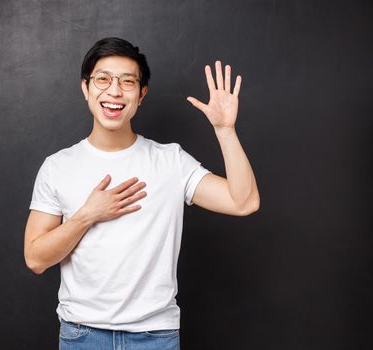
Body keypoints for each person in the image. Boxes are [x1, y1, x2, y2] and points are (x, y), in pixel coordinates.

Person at [24, 37, 260, 350]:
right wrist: (88, 215)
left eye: (128, 81)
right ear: (85, 87)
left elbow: (243, 202)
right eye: (103, 79)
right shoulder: (58, 166)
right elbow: (36, 258)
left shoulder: (171, 161)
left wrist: (225, 131)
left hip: (155, 336)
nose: (114, 91)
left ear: (141, 94)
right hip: (82, 336)